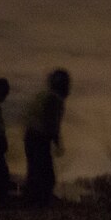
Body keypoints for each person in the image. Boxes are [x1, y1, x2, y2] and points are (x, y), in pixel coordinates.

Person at [23, 69, 69, 203]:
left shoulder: (42, 95)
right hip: (40, 137)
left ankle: (33, 199)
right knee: (46, 174)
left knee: (34, 170)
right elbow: (52, 122)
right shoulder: (55, 99)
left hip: (30, 136)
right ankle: (39, 201)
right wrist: (58, 143)